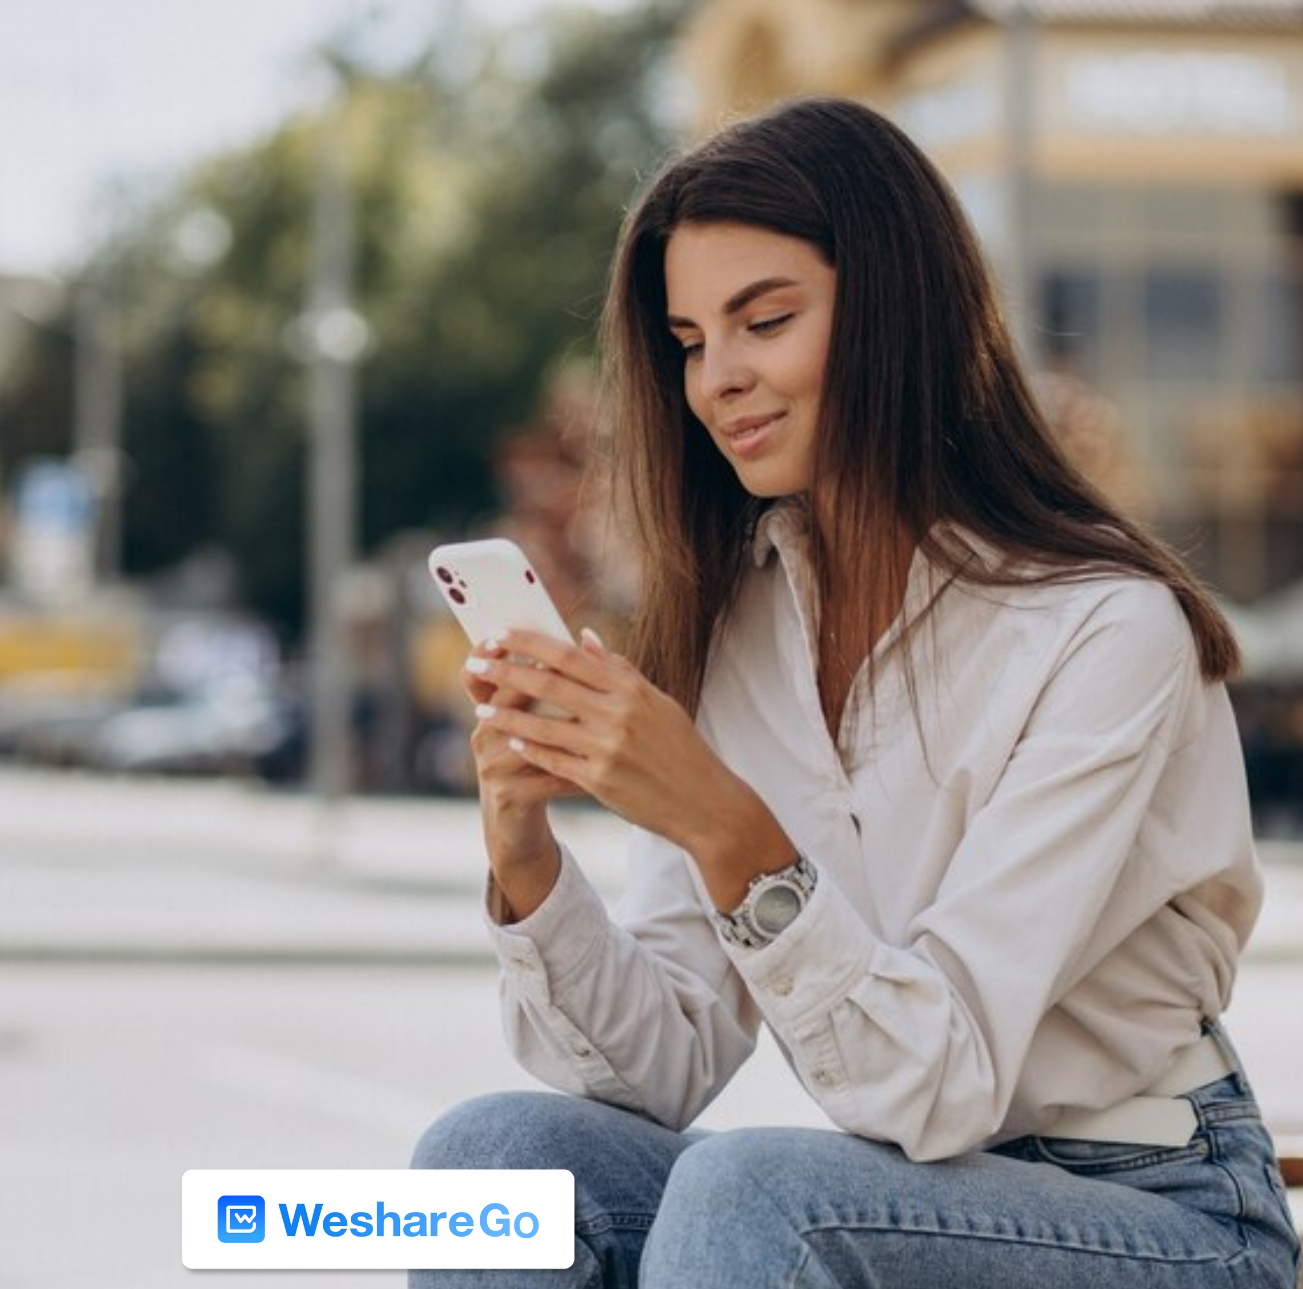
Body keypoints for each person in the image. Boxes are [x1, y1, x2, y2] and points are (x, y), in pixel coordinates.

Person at [411, 96, 1302, 1289]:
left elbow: (936, 1076)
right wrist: (523, 853)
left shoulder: (1100, 628)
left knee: (759, 1195)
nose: (716, 379)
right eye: (686, 342)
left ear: (892, 312)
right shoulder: (738, 627)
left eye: (763, 320)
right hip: (902, 1195)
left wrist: (727, 827)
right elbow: (657, 1069)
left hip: (1161, 1212)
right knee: (490, 1162)